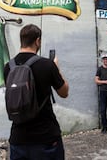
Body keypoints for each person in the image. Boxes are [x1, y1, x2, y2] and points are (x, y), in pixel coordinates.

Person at [4, 24, 69, 160]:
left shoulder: (9, 67)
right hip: (45, 138)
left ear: (21, 40)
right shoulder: (47, 64)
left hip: (18, 138)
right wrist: (57, 68)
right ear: (37, 41)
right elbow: (64, 92)